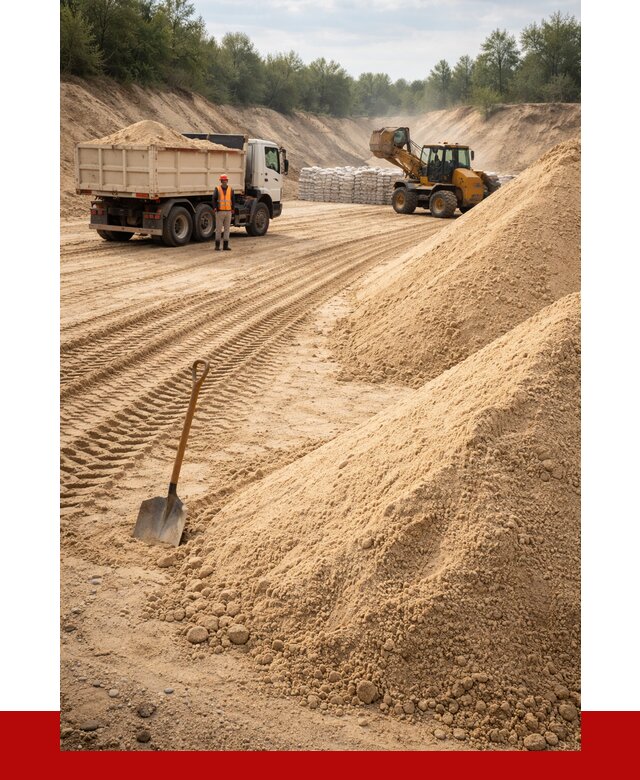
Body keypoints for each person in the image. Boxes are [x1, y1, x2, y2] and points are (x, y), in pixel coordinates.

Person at [212, 174, 235, 251]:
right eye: (223, 180)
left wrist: (233, 209)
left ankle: (225, 246)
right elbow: (214, 199)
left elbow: (233, 199)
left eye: (225, 180)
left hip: (228, 211)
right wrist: (215, 208)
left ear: (227, 181)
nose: (224, 182)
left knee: (227, 229)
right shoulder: (217, 189)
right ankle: (217, 246)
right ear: (221, 181)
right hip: (220, 212)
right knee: (218, 229)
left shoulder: (231, 189)